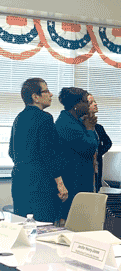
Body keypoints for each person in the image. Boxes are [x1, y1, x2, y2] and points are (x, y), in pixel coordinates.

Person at [9, 78, 68, 223]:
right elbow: (49, 154)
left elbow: (11, 151)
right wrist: (60, 184)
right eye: (46, 91)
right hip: (40, 184)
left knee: (22, 228)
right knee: (43, 230)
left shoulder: (18, 118)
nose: (51, 94)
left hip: (19, 181)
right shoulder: (45, 118)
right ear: (35, 97)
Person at [55, 87, 98, 222]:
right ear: (76, 105)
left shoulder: (76, 121)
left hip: (80, 178)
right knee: (75, 223)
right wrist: (90, 129)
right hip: (74, 180)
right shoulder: (67, 124)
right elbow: (90, 147)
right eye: (85, 102)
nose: (88, 105)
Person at [87, 93, 112, 192]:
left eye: (95, 101)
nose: (95, 104)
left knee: (96, 188)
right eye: (91, 102)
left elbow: (108, 143)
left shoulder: (98, 127)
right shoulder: (81, 127)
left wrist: (98, 153)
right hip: (87, 164)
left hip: (97, 162)